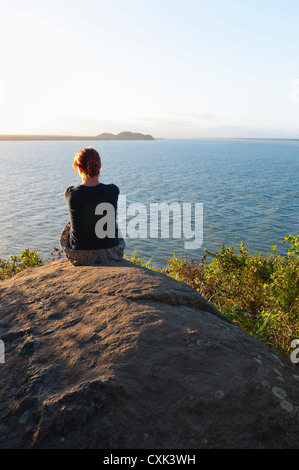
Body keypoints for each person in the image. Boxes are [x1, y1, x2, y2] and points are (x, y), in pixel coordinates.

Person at [60, 146, 125, 265]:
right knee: (109, 218)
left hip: (80, 256)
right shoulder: (113, 190)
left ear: (79, 168)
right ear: (99, 167)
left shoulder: (70, 193)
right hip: (111, 253)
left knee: (71, 223)